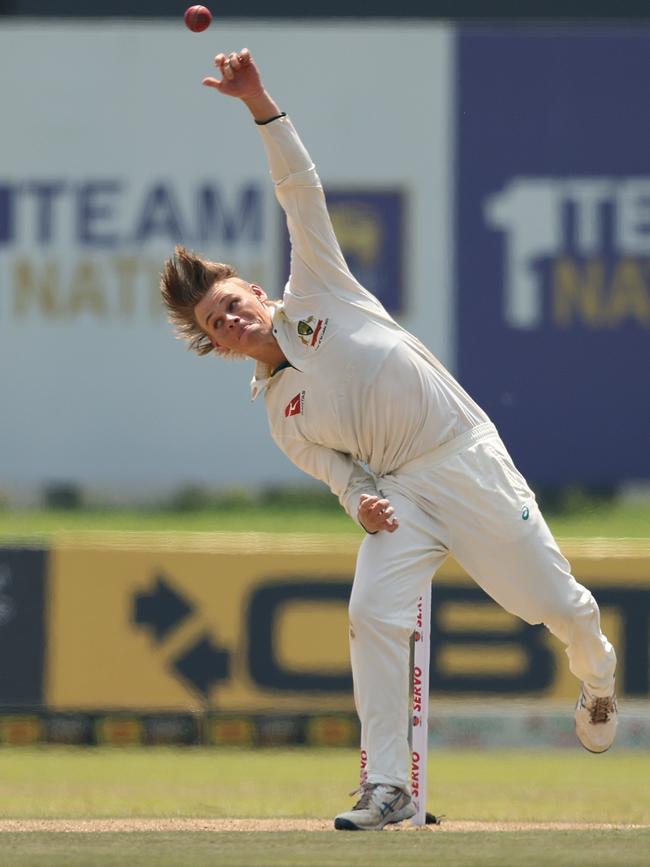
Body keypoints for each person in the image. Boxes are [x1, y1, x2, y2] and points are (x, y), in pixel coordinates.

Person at [160, 48, 618, 831]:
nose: (232, 320)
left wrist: (257, 100)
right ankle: (388, 785)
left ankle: (598, 671)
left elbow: (298, 188)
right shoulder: (279, 413)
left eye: (233, 303)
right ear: (217, 346)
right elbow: (341, 475)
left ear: (257, 292)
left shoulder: (321, 291)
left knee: (551, 604)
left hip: (464, 456)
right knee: (373, 609)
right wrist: (362, 502)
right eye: (216, 324)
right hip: (403, 492)